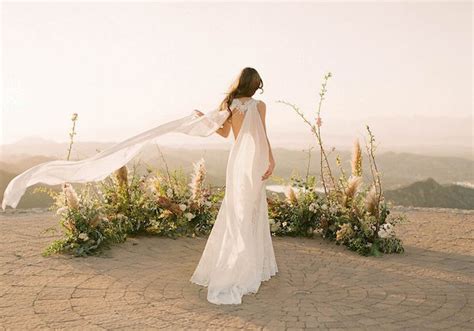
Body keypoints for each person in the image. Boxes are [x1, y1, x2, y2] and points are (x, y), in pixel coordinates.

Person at [189, 67, 278, 305]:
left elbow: (224, 133)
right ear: (255, 84)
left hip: (239, 159)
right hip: (255, 158)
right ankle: (246, 262)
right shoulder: (260, 106)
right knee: (250, 210)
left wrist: (205, 120)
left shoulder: (231, 105)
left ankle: (243, 259)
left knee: (238, 209)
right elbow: (263, 136)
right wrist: (270, 158)